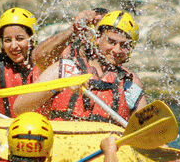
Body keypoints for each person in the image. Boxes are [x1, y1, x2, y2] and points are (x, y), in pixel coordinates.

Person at [12, 10, 147, 125]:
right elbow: (19, 108)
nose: (116, 50)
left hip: (107, 150)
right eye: (111, 42)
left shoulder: (131, 83)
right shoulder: (66, 68)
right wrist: (60, 85)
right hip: (64, 144)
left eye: (124, 45)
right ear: (98, 39)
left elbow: (145, 129)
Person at [0, 8, 40, 117]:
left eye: (20, 39)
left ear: (32, 40)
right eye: (8, 40)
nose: (13, 46)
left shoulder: (44, 67)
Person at [30, 7, 109, 70]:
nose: (96, 39)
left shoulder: (114, 61)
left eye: (98, 33)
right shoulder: (66, 53)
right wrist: (74, 29)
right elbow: (37, 59)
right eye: (88, 27)